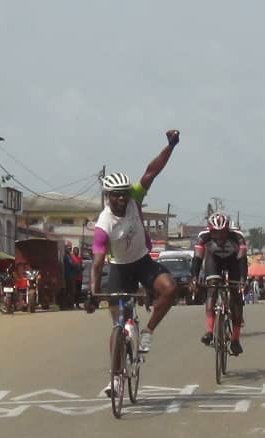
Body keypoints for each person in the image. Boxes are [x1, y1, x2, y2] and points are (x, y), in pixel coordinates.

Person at [86, 130, 180, 391]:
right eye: (115, 195)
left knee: (171, 289)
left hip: (142, 261)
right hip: (119, 270)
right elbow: (97, 262)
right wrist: (92, 292)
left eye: (124, 194)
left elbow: (152, 172)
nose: (121, 199)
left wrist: (170, 146)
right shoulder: (103, 224)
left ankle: (148, 332)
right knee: (119, 325)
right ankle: (115, 378)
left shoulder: (134, 200)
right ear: (107, 196)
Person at [190, 213, 247, 356]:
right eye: (215, 233)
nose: (220, 236)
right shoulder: (203, 237)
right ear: (210, 230)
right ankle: (209, 332)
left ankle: (235, 339)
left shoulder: (238, 237)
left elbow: (242, 260)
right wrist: (194, 278)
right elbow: (197, 259)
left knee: (236, 297)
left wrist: (242, 280)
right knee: (212, 288)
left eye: (223, 233)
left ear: (228, 230)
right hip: (214, 260)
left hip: (234, 261)